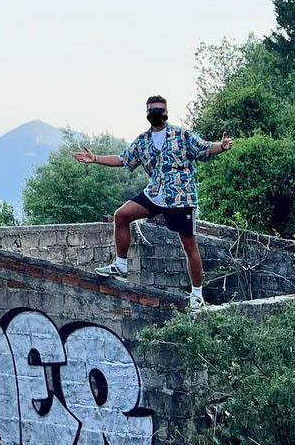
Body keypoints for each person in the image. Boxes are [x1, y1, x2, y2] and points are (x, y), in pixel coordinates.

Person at [73, 95, 232, 311]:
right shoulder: (143, 141)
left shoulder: (181, 135)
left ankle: (197, 294)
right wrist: (95, 159)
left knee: (189, 244)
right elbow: (123, 159)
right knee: (122, 215)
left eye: (160, 109)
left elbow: (204, 148)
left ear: (166, 113)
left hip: (180, 197)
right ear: (147, 113)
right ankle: (121, 265)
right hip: (155, 193)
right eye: (152, 110)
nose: (156, 113)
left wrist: (221, 146)